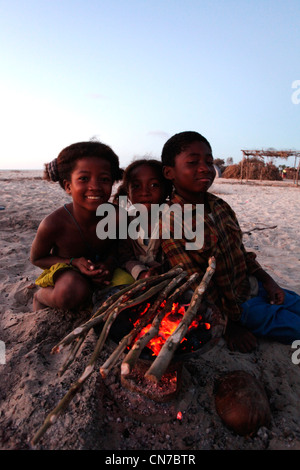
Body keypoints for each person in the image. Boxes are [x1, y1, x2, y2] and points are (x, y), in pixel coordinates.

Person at [160, 131, 300, 352]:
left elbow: (242, 253)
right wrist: (229, 326)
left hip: (256, 287)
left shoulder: (220, 206)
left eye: (208, 161)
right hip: (238, 309)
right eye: (192, 162)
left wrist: (268, 280)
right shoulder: (172, 221)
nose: (205, 168)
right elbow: (195, 283)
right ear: (169, 172)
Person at [31, 140, 130, 312]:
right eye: (84, 179)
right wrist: (73, 262)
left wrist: (108, 265)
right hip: (67, 271)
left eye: (104, 179)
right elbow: (37, 258)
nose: (95, 187)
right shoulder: (54, 223)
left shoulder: (118, 216)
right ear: (68, 186)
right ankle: (40, 296)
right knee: (72, 291)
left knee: (132, 288)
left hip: (103, 272)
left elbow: (118, 248)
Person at [114, 159, 172, 280]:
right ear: (128, 193)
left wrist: (162, 269)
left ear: (166, 190)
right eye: (136, 186)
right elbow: (125, 257)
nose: (145, 192)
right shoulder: (126, 221)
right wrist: (141, 273)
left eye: (154, 185)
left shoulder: (174, 218)